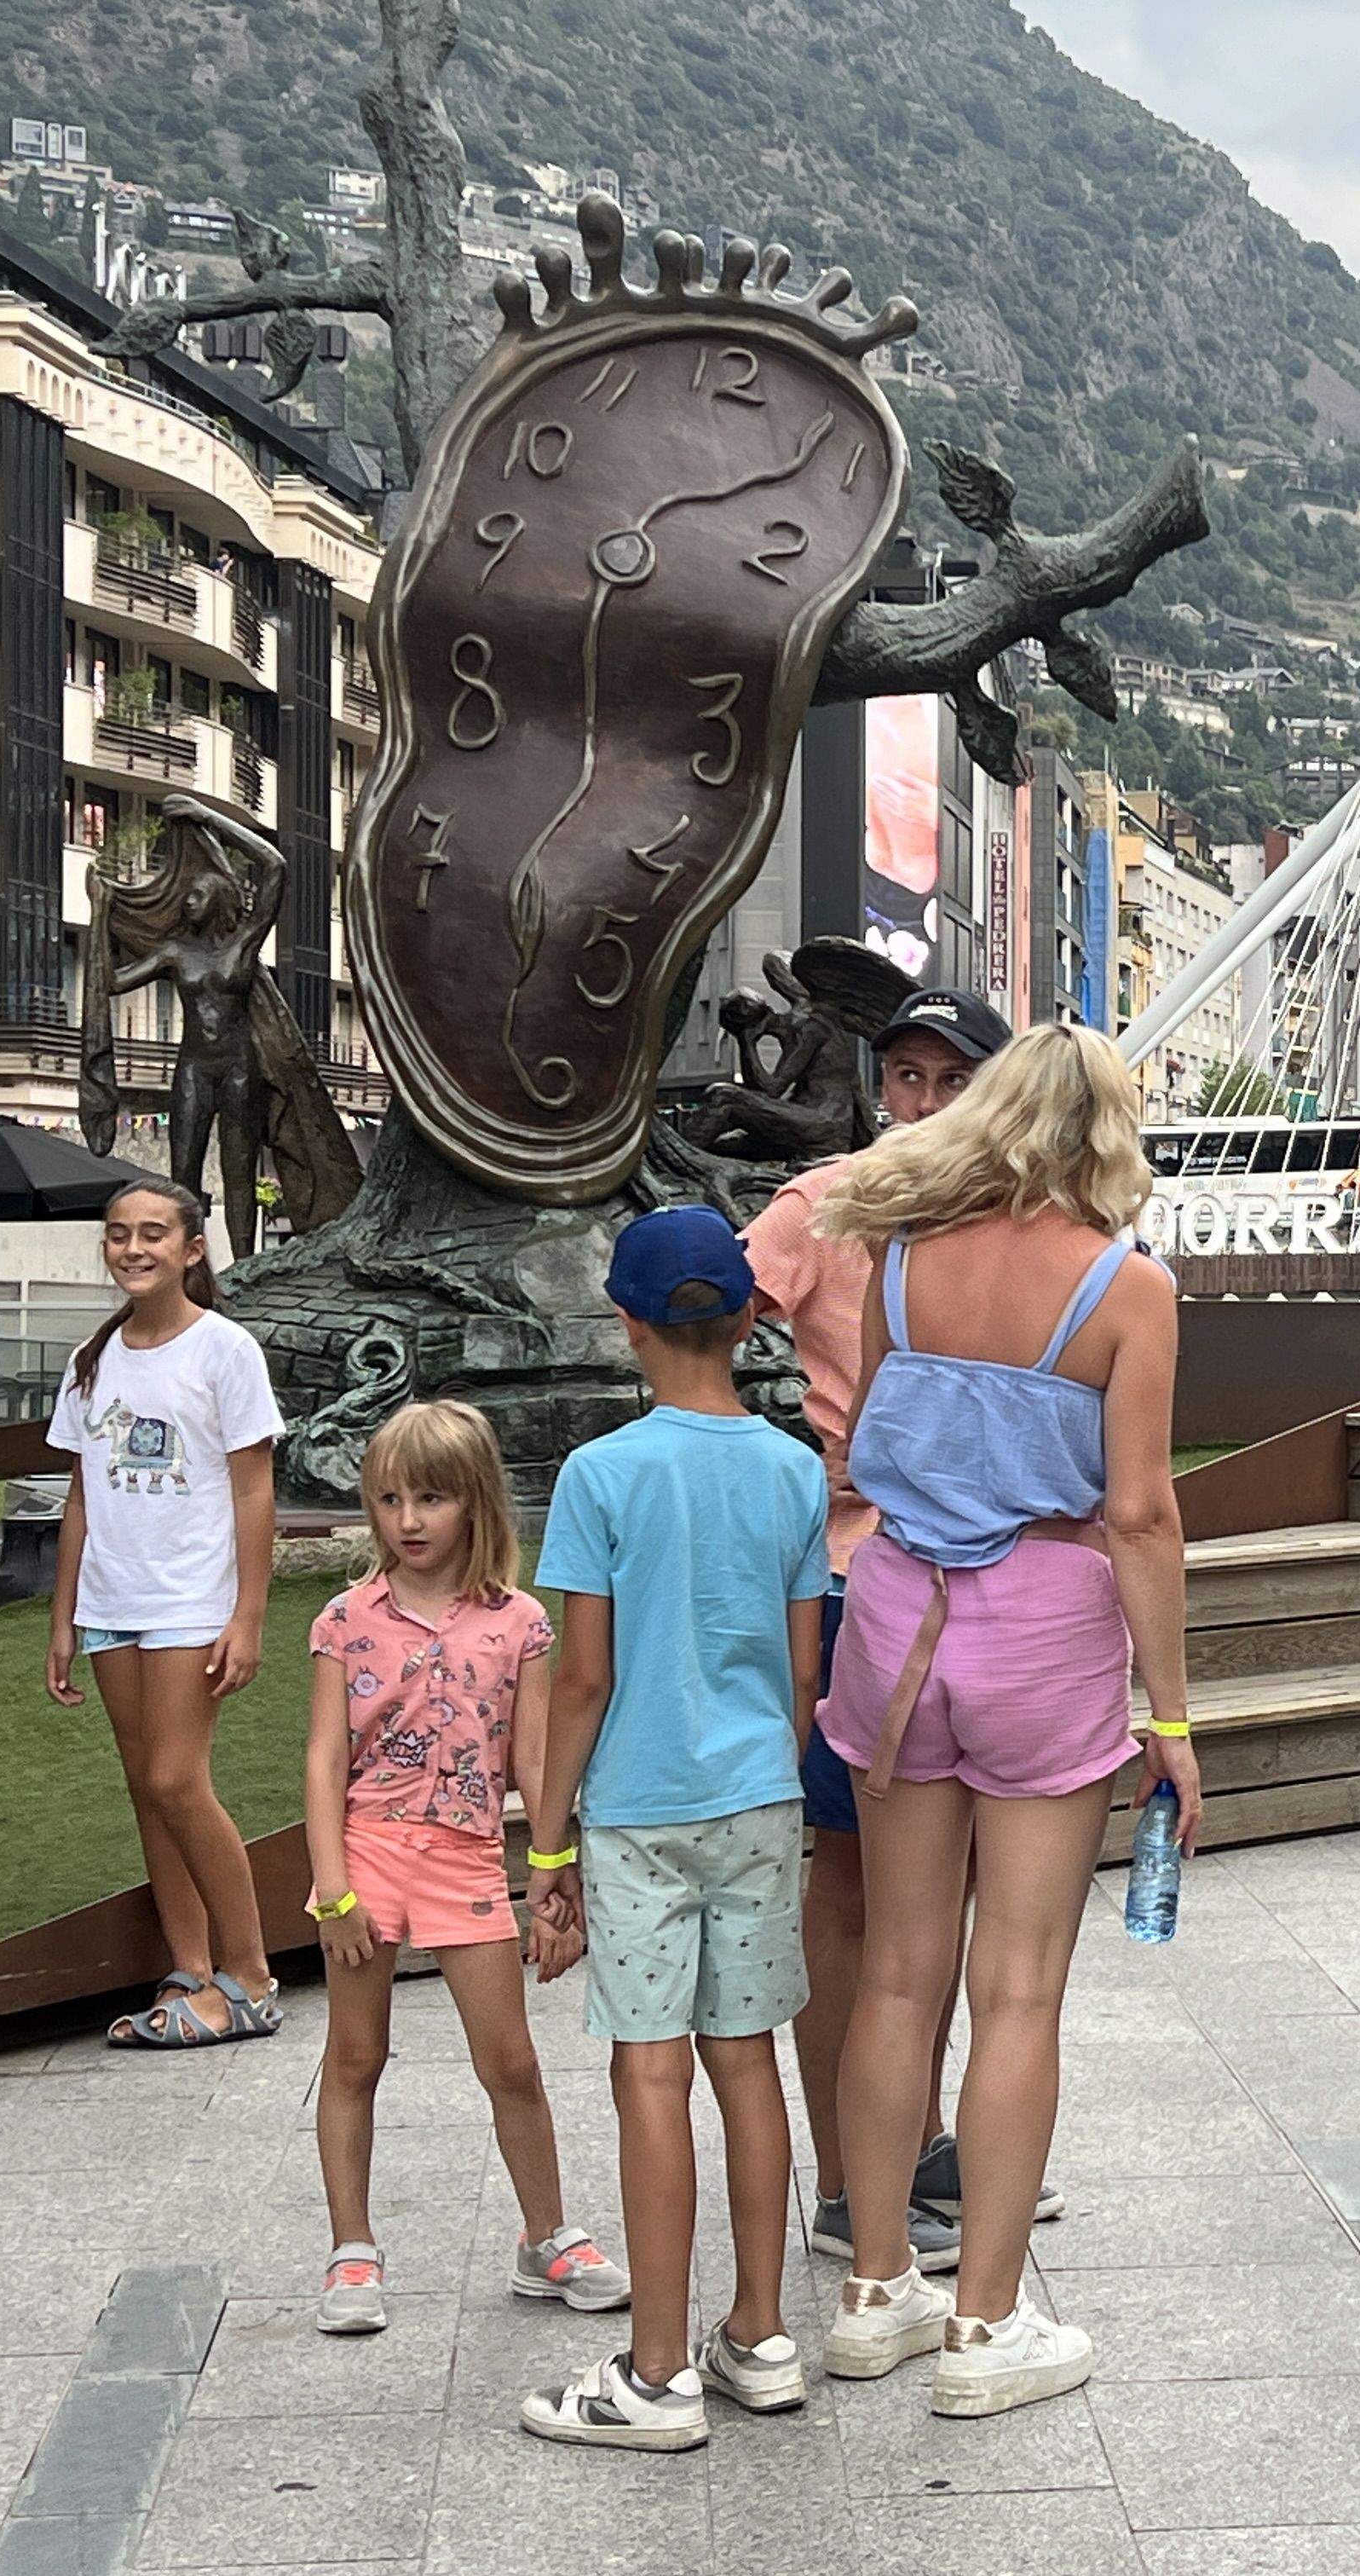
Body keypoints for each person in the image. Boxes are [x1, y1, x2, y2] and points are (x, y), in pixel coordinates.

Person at [810, 1025, 1199, 2417]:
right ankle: (984, 2318)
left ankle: (871, 2290)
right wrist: (1171, 1713)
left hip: (897, 1617)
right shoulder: (1124, 1285)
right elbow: (1140, 1510)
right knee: (1017, 1984)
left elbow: (862, 1445)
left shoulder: (899, 1258)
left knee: (896, 1972)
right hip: (1041, 1624)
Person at [742, 986, 1058, 2270]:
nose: (919, 1104)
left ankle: (921, 2140)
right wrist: (765, 1459)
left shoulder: (1014, 1221)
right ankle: (844, 2170)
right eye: (905, 1077)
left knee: (946, 1896)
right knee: (856, 1889)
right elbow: (695, 1309)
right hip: (852, 1576)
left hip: (984, 1589)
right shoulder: (828, 1201)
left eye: (947, 1080)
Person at [519, 1208, 830, 2450]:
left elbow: (581, 1681)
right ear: (751, 1317)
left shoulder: (600, 1475)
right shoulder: (795, 1469)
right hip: (758, 1793)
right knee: (745, 2058)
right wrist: (771, 1766)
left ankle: (655, 2374)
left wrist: (548, 1845)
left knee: (650, 2068)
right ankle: (758, 2336)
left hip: (639, 1809)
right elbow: (806, 1670)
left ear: (627, 1325)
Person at [303, 1400, 628, 2335]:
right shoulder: (342, 1619)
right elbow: (325, 1759)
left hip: (468, 1860)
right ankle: (352, 2250)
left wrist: (557, 1868)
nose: (408, 1520)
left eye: (432, 1498)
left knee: (512, 2062)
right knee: (356, 2057)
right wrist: (333, 1889)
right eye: (391, 1498)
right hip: (365, 1854)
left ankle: (546, 2237)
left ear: (475, 1503)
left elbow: (533, 1762)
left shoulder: (521, 1624)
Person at [44, 1178, 285, 2050]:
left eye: (153, 1234)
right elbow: (78, 1497)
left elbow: (256, 1489)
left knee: (181, 1780)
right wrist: (64, 1616)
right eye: (118, 1235)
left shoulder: (225, 1350)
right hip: (113, 1601)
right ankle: (191, 1966)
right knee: (148, 1789)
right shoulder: (93, 1358)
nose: (133, 1249)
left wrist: (248, 1615)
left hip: (192, 1600)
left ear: (191, 1249)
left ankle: (250, 1976)